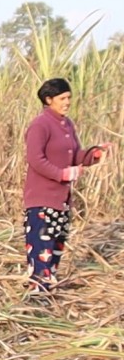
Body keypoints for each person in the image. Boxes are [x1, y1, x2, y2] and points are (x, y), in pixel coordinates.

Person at [23, 78, 111, 293]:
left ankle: (48, 291)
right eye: (63, 98)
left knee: (55, 249)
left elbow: (76, 154)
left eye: (69, 97)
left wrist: (94, 154)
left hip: (61, 201)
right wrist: (62, 174)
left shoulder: (67, 124)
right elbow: (35, 159)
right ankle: (39, 296)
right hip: (42, 200)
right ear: (48, 99)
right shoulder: (40, 125)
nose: (67, 102)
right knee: (41, 251)